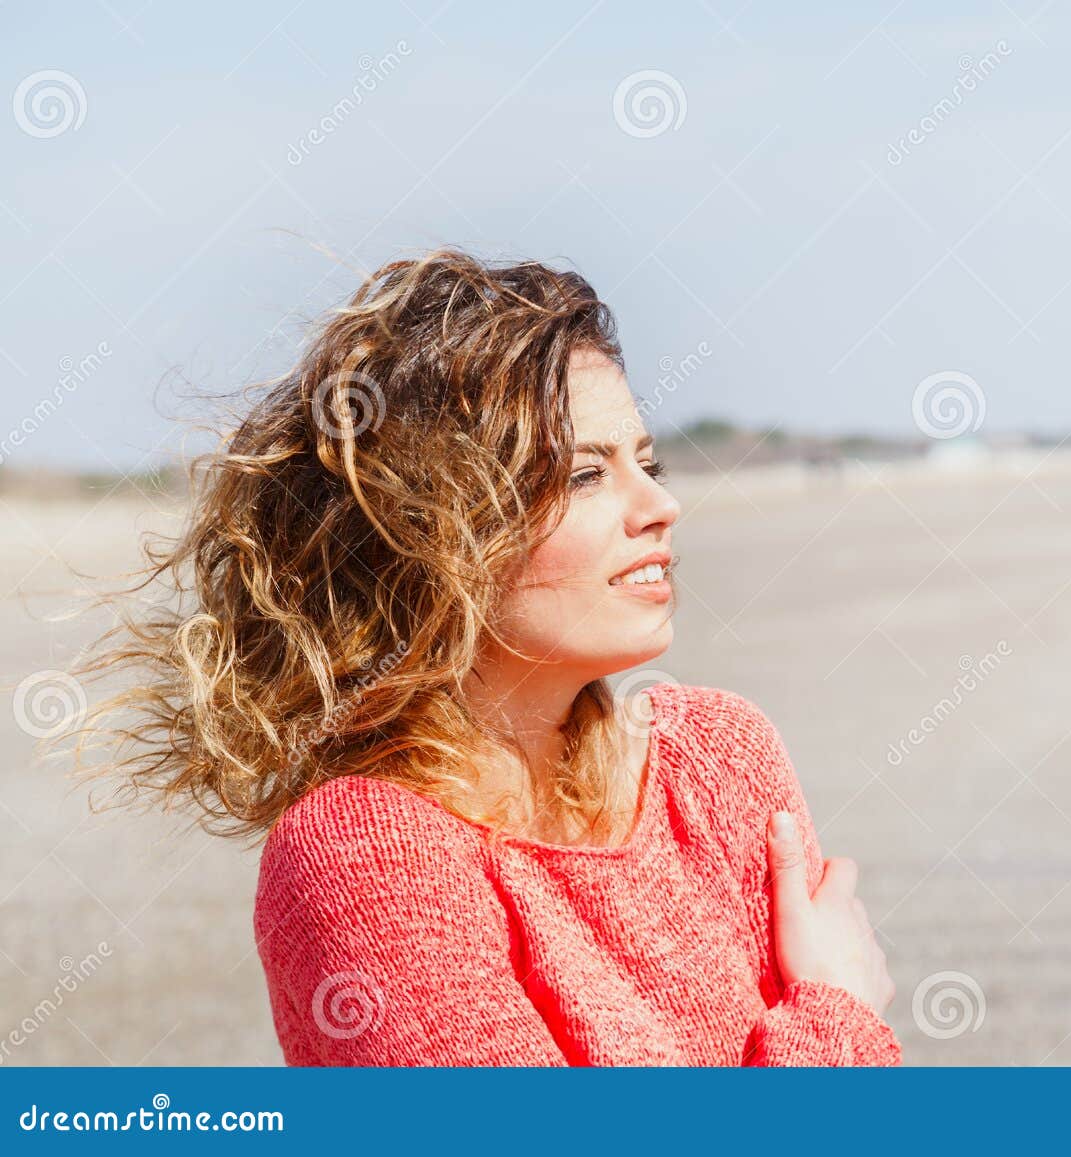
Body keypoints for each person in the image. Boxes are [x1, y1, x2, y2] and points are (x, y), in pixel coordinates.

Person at [69, 248, 899, 1065]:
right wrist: (839, 1022)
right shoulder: (364, 851)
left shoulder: (720, 759)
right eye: (584, 476)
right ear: (435, 536)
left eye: (647, 463)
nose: (660, 505)